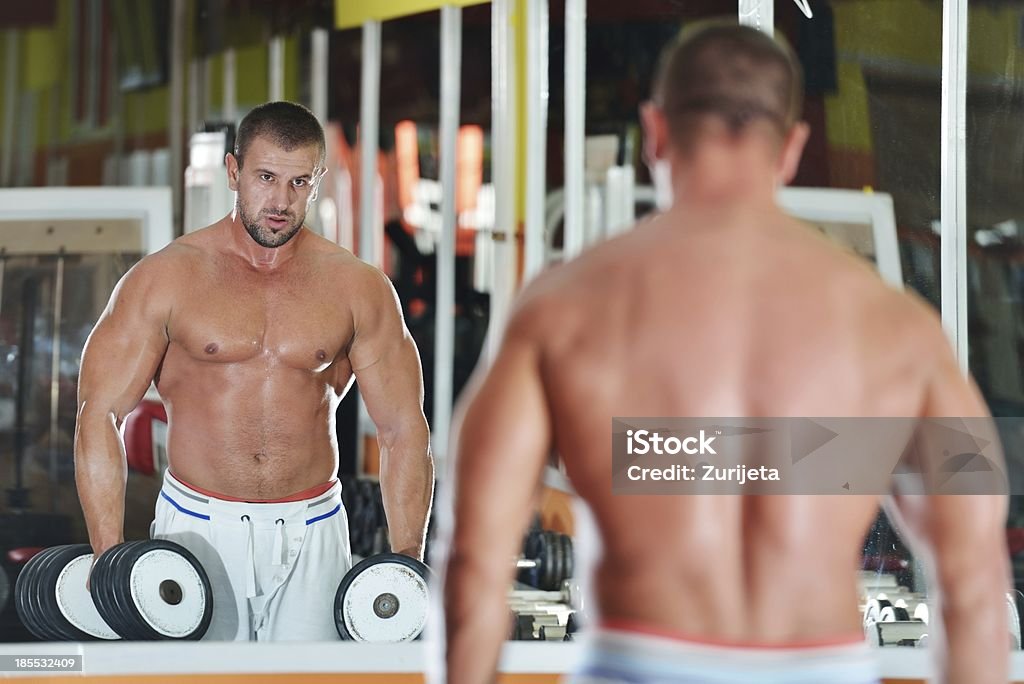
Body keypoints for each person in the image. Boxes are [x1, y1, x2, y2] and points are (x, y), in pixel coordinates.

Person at [442, 22, 1010, 684]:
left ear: (655, 130)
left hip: (635, 663)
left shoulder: (561, 310)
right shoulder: (901, 330)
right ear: (793, 145)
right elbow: (973, 583)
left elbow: (476, 562)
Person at [74, 101, 433, 641]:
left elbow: (404, 430)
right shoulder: (165, 279)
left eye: (299, 183)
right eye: (266, 177)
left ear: (317, 183)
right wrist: (109, 560)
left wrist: (408, 563)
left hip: (313, 527)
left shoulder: (358, 287)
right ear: (234, 171)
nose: (281, 201)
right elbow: (97, 415)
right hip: (198, 526)